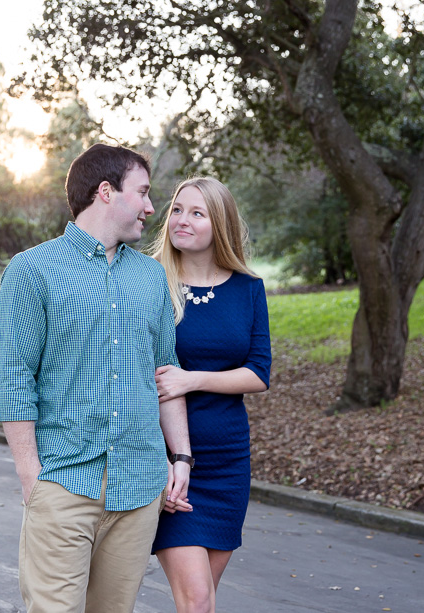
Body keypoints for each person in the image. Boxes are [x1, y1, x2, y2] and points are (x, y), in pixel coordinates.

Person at [0, 143, 193, 613]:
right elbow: (15, 378)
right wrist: (31, 477)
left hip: (139, 490)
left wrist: (180, 456)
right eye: (142, 192)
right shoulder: (32, 270)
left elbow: (165, 376)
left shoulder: (150, 278)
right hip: (63, 483)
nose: (150, 206)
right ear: (106, 191)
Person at [148, 177, 272, 613]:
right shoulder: (151, 282)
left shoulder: (247, 288)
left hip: (227, 462)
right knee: (198, 599)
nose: (182, 220)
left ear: (218, 224)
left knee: (201, 601)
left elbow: (258, 372)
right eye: (177, 210)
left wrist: (192, 378)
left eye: (197, 213)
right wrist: (163, 457)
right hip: (167, 460)